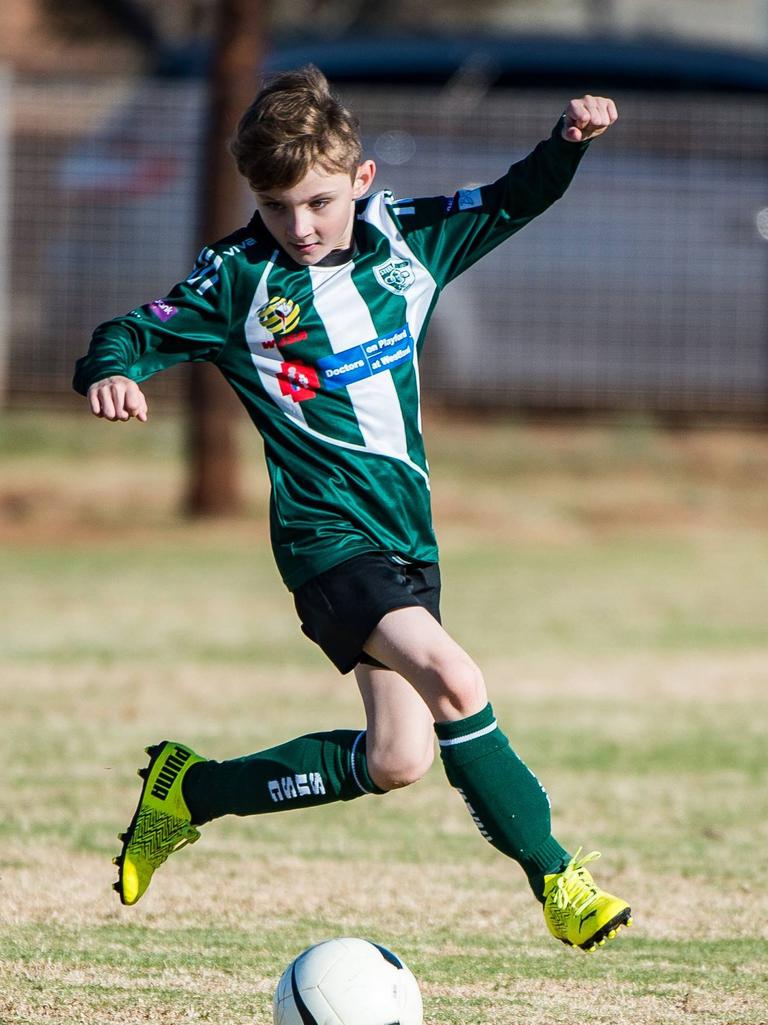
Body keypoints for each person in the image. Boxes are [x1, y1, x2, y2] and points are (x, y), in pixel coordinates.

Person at [73, 66, 631, 951]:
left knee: (398, 757)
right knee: (457, 681)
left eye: (320, 203)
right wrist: (113, 372)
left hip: (408, 539)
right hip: (326, 539)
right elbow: (132, 330)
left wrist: (567, 144)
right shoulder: (237, 277)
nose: (299, 226)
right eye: (277, 205)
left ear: (362, 182)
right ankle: (559, 879)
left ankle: (191, 791)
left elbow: (513, 199)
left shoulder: (408, 244)